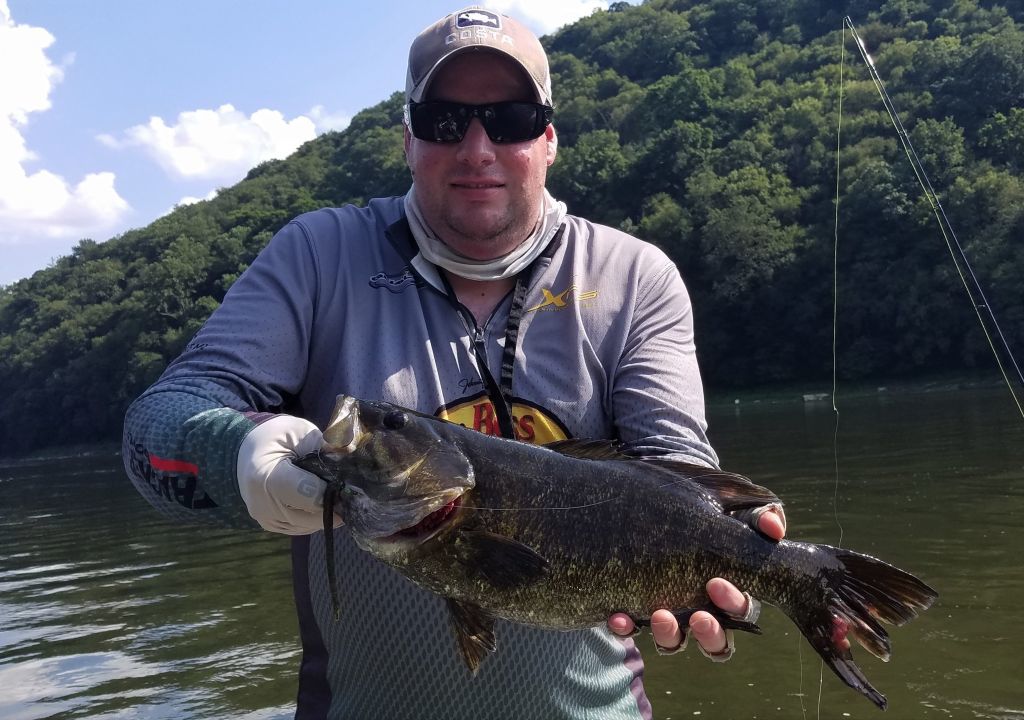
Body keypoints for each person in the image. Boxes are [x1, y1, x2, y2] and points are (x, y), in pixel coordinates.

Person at [123, 6, 794, 719]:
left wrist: (737, 547)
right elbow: (155, 429)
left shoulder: (633, 275)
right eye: (446, 120)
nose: (477, 148)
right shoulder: (317, 257)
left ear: (549, 138)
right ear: (408, 139)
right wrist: (245, 458)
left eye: (509, 119)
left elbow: (672, 460)